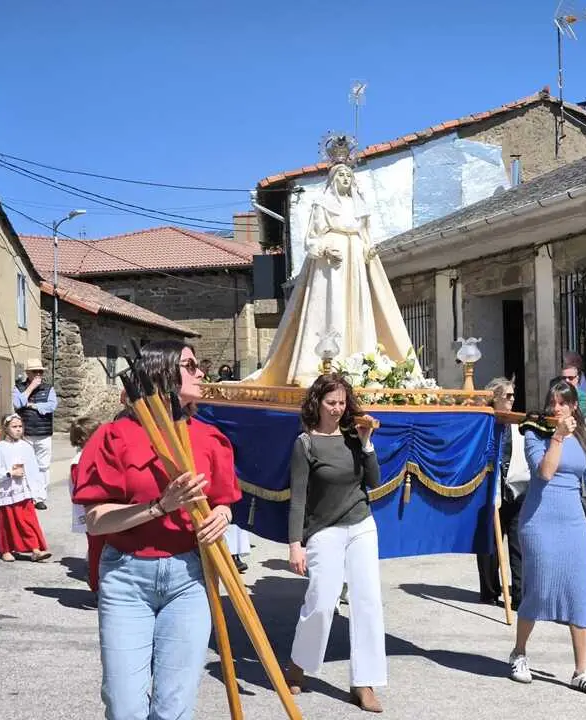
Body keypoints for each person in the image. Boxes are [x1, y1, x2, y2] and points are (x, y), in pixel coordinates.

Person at [72, 340, 241, 719]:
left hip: (190, 578)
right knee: (124, 706)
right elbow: (96, 520)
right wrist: (160, 506)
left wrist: (223, 516)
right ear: (162, 372)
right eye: (190, 366)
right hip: (126, 578)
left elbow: (224, 501)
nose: (201, 372)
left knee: (173, 707)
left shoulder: (209, 438)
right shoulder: (114, 437)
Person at [250, 162, 417, 387]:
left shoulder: (360, 205)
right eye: (341, 174)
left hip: (355, 259)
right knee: (331, 304)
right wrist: (325, 249)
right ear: (332, 179)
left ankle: (362, 362)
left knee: (358, 305)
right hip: (330, 261)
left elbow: (366, 234)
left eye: (349, 175)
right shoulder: (322, 203)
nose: (346, 178)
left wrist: (368, 249)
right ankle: (321, 364)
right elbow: (312, 236)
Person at [509, 380, 586, 696]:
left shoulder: (585, 438)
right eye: (552, 402)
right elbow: (544, 472)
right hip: (539, 521)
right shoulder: (536, 432)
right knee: (539, 588)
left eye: (562, 402)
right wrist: (557, 436)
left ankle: (581, 671)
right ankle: (519, 653)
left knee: (578, 593)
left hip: (573, 523)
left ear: (573, 406)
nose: (556, 408)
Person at [283, 374, 386, 713]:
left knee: (368, 601)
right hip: (323, 529)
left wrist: (367, 443)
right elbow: (298, 498)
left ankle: (364, 682)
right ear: (317, 404)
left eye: (342, 402)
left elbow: (374, 481)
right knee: (321, 601)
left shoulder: (354, 437)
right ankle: (299, 663)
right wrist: (295, 544)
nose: (337, 409)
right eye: (331, 403)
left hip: (361, 525)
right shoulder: (305, 444)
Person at [476, 377, 526, 610]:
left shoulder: (517, 424)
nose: (512, 399)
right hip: (489, 492)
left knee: (518, 545)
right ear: (494, 398)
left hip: (515, 492)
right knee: (490, 546)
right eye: (508, 395)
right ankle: (490, 590)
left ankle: (519, 594)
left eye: (514, 395)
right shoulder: (483, 424)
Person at [0, 413, 51, 562]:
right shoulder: (0, 448)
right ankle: (6, 550)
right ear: (6, 428)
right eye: (14, 427)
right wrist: (10, 473)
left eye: (20, 426)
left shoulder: (26, 447)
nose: (18, 429)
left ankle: (35, 550)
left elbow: (34, 470)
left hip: (25, 491)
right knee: (8, 522)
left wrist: (37, 493)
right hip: (8, 490)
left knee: (28, 521)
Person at [12, 359, 57, 510]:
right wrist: (30, 388)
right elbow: (18, 404)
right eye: (35, 371)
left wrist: (32, 405)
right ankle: (27, 495)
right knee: (25, 465)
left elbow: (51, 406)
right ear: (28, 373)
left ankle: (40, 497)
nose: (39, 374)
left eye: (40, 371)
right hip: (26, 434)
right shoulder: (19, 388)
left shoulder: (49, 389)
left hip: (43, 434)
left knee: (43, 466)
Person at [68, 416, 102, 594]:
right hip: (92, 512)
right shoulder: (79, 461)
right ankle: (96, 584)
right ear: (84, 439)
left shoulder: (94, 454)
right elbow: (80, 490)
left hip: (100, 509)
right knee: (97, 549)